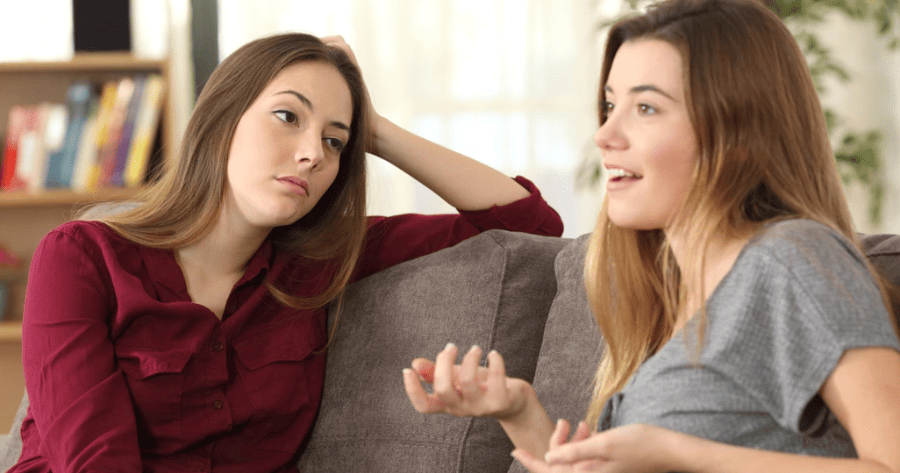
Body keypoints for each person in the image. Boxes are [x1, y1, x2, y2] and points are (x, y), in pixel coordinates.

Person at [12, 33, 563, 472]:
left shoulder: (318, 265)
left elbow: (530, 225)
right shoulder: (80, 256)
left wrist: (377, 132)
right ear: (222, 118)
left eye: (334, 141)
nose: (312, 154)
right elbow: (94, 462)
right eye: (288, 117)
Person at [403, 0, 900, 471]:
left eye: (646, 108)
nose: (604, 134)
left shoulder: (795, 259)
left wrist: (675, 450)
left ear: (737, 135)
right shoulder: (673, 296)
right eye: (609, 104)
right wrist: (519, 413)